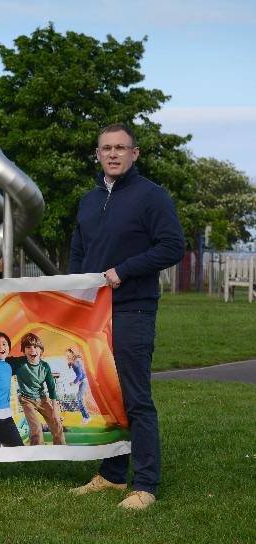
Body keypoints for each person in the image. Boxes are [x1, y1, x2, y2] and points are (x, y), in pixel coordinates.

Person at [69, 123, 185, 510]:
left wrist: (125, 269)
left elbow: (172, 246)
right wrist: (73, 292)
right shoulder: (88, 200)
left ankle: (146, 484)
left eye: (121, 147)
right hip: (93, 314)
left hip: (132, 309)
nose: (113, 154)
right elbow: (79, 254)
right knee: (105, 396)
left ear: (134, 154)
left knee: (136, 399)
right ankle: (113, 475)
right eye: (106, 148)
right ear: (98, 155)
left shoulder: (152, 197)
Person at [6, 333, 66, 446]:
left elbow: (52, 389)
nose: (32, 350)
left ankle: (61, 450)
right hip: (26, 400)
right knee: (36, 429)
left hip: (43, 399)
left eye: (35, 347)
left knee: (56, 424)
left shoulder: (45, 366)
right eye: (28, 347)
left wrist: (55, 411)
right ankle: (37, 453)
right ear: (24, 351)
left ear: (41, 350)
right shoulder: (19, 363)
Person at [66, 348, 91, 425]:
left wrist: (74, 382)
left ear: (71, 353)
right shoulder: (73, 362)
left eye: (68, 354)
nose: (66, 356)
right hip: (81, 381)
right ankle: (85, 417)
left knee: (79, 398)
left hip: (83, 381)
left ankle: (87, 417)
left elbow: (80, 374)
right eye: (66, 355)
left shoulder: (76, 360)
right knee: (79, 398)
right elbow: (79, 375)